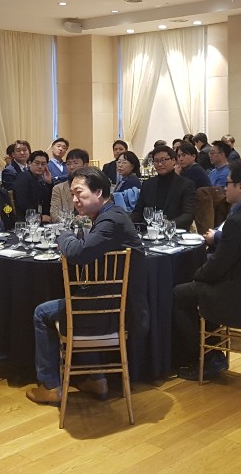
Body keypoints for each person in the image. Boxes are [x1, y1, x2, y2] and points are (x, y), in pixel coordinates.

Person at [26, 167, 147, 405]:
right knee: (78, 299)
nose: (74, 200)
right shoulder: (112, 215)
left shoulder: (111, 220)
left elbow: (78, 253)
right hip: (112, 303)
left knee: (42, 313)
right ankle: (96, 378)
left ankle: (50, 386)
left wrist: (63, 235)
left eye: (79, 193)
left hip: (113, 310)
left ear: (98, 192)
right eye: (72, 194)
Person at [172, 160, 241, 380]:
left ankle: (203, 358)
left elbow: (218, 265)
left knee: (178, 293)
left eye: (228, 183)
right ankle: (213, 353)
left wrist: (196, 275)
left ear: (240, 187)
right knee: (201, 287)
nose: (224, 188)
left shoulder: (239, 220)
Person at [130, 145, 196, 230]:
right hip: (149, 231)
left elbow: (188, 214)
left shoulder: (186, 184)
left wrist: (170, 224)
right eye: (156, 161)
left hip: (174, 232)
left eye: (163, 160)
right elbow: (138, 211)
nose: (160, 164)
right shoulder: (148, 184)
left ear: (174, 160)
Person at [50, 148, 89, 221]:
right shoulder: (58, 188)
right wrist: (75, 221)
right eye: (68, 164)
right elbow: (54, 214)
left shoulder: (92, 186)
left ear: (85, 165)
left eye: (75, 163)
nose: (71, 167)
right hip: (66, 225)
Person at [13, 150, 52, 222]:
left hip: (41, 219)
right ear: (29, 163)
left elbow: (48, 201)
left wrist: (49, 182)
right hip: (26, 220)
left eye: (43, 164)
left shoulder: (41, 179)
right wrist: (39, 217)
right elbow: (22, 203)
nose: (40, 166)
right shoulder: (23, 178)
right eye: (37, 163)